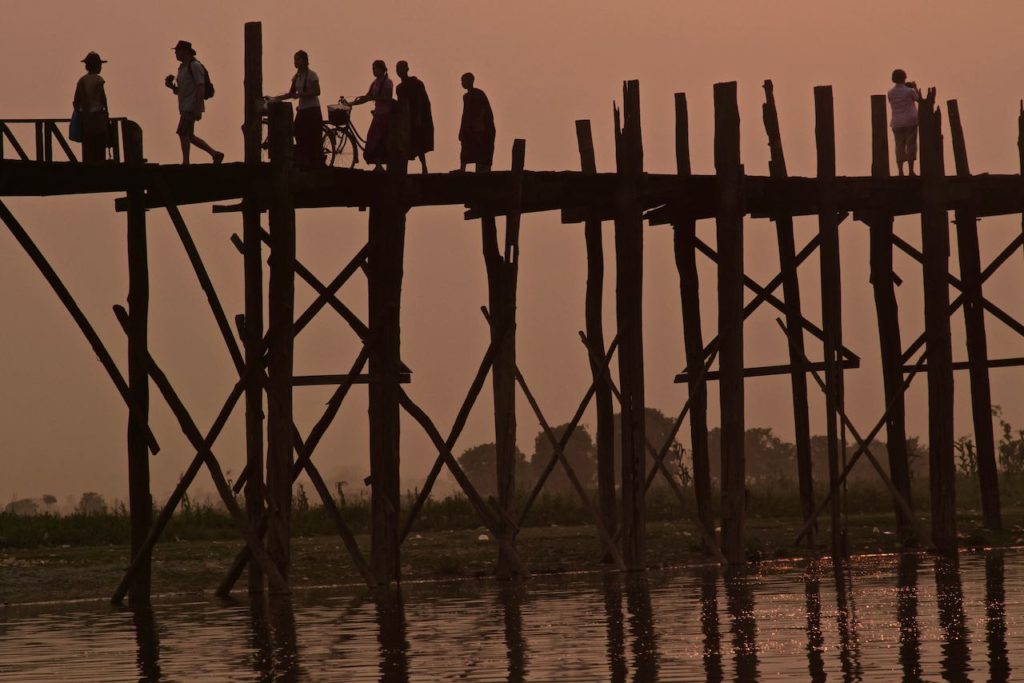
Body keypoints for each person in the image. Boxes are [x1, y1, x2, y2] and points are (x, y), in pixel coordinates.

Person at [164, 40, 224, 165]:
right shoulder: (182, 68)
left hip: (191, 105)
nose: (176, 53)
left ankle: (186, 161)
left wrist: (198, 107)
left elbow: (200, 86)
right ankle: (215, 154)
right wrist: (172, 87)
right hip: (185, 105)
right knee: (189, 136)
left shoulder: (195, 66)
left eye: (178, 51)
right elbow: (182, 90)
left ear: (186, 52)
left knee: (182, 131)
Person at [273, 50, 323, 169]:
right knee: (298, 132)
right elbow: (291, 93)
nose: (295, 62)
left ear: (305, 61)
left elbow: (317, 91)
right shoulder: (296, 77)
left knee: (313, 135)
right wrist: (275, 99)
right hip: (302, 109)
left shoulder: (312, 75)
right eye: (294, 60)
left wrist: (301, 94)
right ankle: (305, 159)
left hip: (312, 109)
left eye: (298, 59)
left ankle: (315, 161)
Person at [349, 60, 393, 170]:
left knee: (381, 140)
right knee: (372, 139)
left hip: (385, 115)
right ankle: (378, 165)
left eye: (375, 68)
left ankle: (383, 165)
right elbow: (367, 97)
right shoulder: (374, 83)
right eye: (373, 68)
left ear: (382, 69)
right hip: (378, 114)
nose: (374, 71)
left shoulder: (387, 82)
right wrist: (352, 103)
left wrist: (374, 98)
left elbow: (387, 98)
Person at [395, 60, 434, 173]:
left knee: (419, 142)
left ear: (407, 69)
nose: (399, 71)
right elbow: (400, 104)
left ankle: (424, 166)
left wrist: (418, 117)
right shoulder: (399, 88)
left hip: (416, 117)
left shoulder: (415, 83)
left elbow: (421, 101)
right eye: (397, 69)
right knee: (405, 143)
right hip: (406, 118)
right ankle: (403, 169)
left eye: (401, 68)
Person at [73, 52, 109, 163]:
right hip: (98, 117)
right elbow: (103, 100)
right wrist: (107, 114)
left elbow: (76, 101)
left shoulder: (81, 80)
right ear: (97, 66)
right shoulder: (98, 80)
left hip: (85, 118)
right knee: (99, 146)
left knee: (88, 147)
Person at [458, 72, 495, 172]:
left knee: (481, 150)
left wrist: (478, 127)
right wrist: (462, 130)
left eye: (463, 81)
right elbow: (465, 114)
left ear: (470, 81)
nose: (462, 83)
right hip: (469, 127)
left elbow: (482, 111)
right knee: (465, 146)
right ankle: (462, 168)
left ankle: (481, 170)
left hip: (480, 128)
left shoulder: (478, 94)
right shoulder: (466, 96)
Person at [888, 69, 921, 177]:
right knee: (911, 145)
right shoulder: (909, 91)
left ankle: (900, 171)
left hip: (897, 122)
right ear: (904, 78)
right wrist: (915, 87)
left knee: (899, 146)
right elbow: (919, 99)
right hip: (910, 121)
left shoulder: (890, 92)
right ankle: (911, 171)